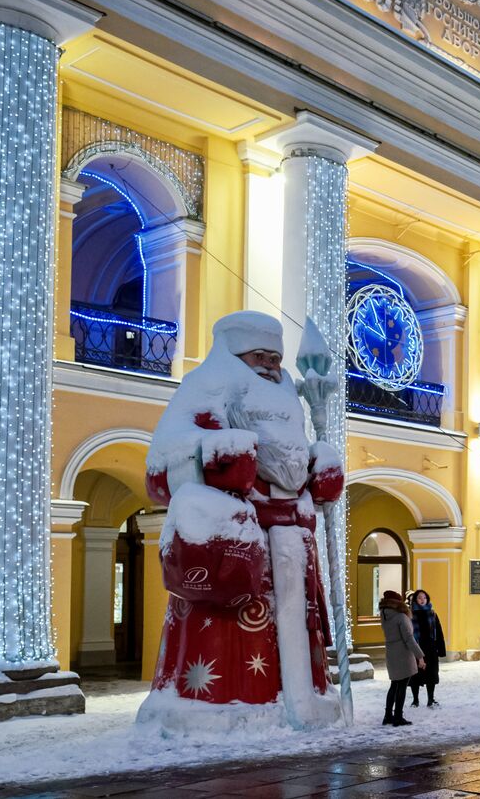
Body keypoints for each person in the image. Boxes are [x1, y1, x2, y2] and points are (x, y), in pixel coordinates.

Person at [138, 311, 345, 731]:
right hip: (239, 547)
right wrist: (217, 455)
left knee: (297, 632)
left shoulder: (288, 403)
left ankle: (303, 702)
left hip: (294, 547)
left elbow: (294, 471)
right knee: (231, 636)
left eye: (275, 357)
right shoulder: (205, 388)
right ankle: (225, 711)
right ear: (234, 354)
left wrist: (318, 471)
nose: (270, 365)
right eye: (260, 356)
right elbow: (161, 469)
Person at [379, 590, 425, 726]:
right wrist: (420, 656)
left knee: (394, 684)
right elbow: (409, 639)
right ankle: (398, 716)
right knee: (402, 686)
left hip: (391, 652)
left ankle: (388, 715)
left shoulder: (384, 615)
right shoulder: (400, 617)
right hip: (403, 655)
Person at [408, 589, 447, 708]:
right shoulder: (410, 614)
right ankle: (415, 700)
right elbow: (408, 633)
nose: (422, 600)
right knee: (415, 675)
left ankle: (431, 698)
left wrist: (441, 649)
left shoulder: (432, 614)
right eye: (419, 598)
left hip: (430, 648)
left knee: (432, 674)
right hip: (416, 647)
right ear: (415, 599)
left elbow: (438, 632)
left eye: (424, 598)